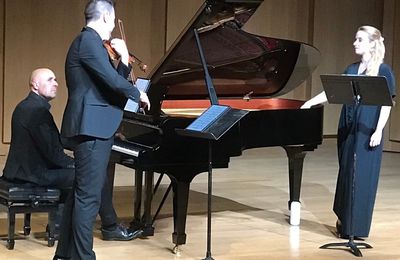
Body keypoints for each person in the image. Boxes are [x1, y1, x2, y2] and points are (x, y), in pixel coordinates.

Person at [54, 0, 150, 259]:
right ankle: (84, 257)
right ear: (107, 17)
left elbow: (110, 83)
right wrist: (138, 94)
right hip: (92, 128)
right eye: (114, 19)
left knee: (80, 196)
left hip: (94, 127)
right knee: (89, 198)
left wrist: (124, 61)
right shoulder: (88, 42)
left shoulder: (92, 44)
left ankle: (64, 255)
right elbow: (113, 83)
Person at [1, 68, 137, 242]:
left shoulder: (29, 106)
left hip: (22, 170)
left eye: (56, 80)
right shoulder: (37, 112)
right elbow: (54, 155)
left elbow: (55, 141)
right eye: (50, 80)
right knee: (94, 173)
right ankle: (109, 227)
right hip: (32, 174)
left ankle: (66, 227)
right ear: (35, 85)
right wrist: (79, 163)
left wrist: (85, 141)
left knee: (90, 171)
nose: (56, 84)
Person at [302, 25, 396, 238]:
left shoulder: (383, 71)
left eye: (360, 39)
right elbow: (330, 92)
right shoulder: (352, 68)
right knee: (346, 173)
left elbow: (387, 104)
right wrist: (310, 102)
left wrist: (379, 130)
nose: (355, 43)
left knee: (362, 176)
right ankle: (344, 222)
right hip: (348, 126)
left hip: (368, 128)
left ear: (372, 43)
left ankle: (357, 229)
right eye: (356, 39)